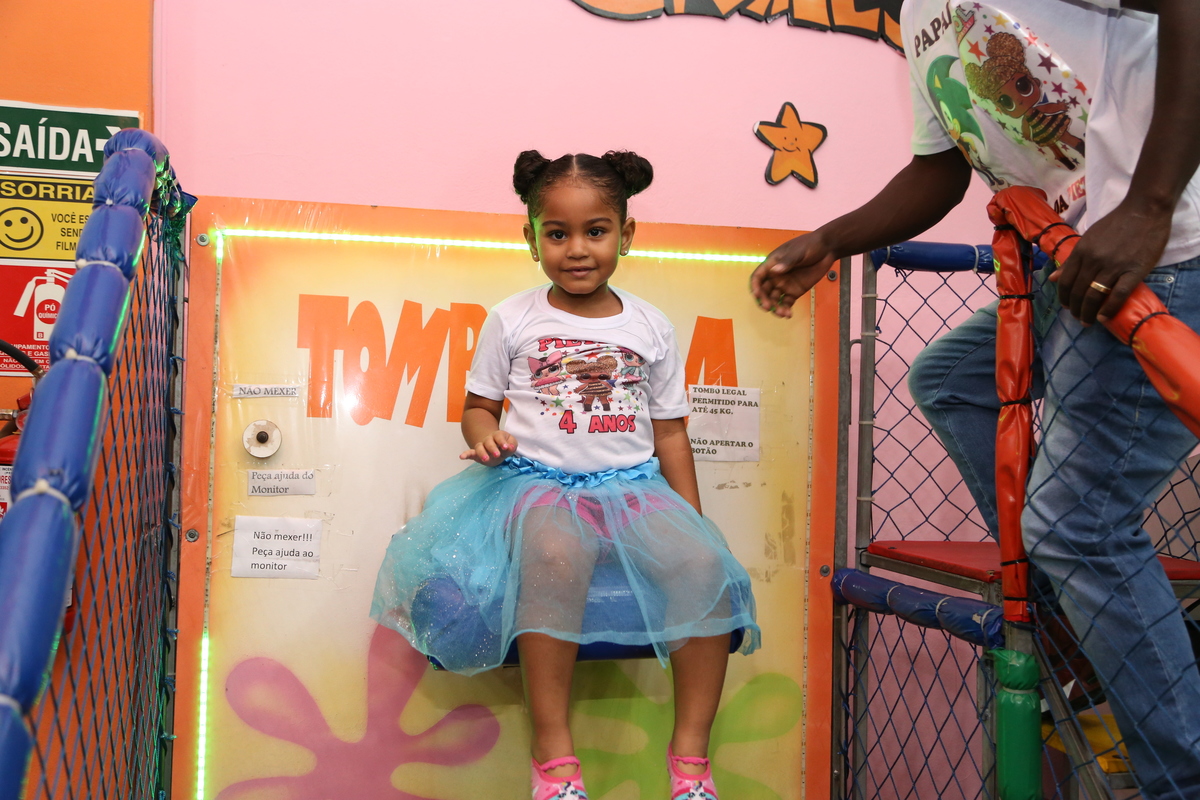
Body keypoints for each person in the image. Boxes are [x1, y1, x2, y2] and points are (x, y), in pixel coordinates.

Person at [749, 2, 1200, 797]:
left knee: (1077, 525)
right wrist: (830, 240)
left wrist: (1149, 205)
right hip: (1077, 261)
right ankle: (1087, 644)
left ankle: (1180, 774)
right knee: (953, 379)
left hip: (1166, 252)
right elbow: (940, 169)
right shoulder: (920, 12)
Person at [372, 150, 759, 800]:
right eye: (557, 233)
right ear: (532, 240)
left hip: (633, 486)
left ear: (625, 235)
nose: (577, 249)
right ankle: (553, 759)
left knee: (703, 566)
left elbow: (670, 432)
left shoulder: (650, 325)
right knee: (556, 554)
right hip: (539, 483)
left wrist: (692, 520)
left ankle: (691, 761)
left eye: (595, 231)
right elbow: (477, 408)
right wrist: (484, 436)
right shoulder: (513, 319)